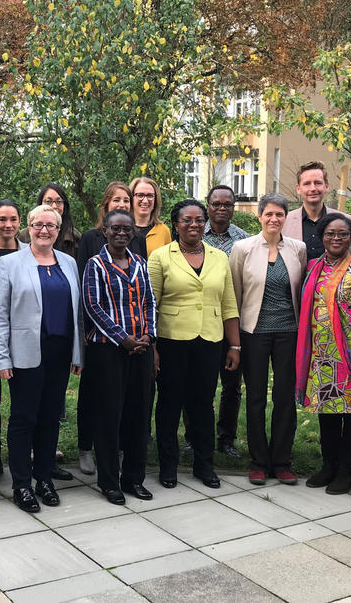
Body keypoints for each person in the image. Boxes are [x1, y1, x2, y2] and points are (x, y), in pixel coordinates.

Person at [0, 204, 83, 513]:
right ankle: (21, 484)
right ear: (27, 227)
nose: (45, 230)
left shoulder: (69, 262)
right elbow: (0, 315)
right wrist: (1, 358)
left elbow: (77, 313)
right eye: (38, 224)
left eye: (51, 226)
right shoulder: (10, 264)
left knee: (49, 418)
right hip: (25, 353)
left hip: (59, 353)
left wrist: (78, 353)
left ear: (59, 230)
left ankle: (44, 479)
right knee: (23, 418)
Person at [148, 199, 240, 490]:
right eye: (187, 220)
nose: (194, 225)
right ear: (176, 224)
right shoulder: (161, 257)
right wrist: (151, 346)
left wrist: (234, 346)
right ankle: (169, 466)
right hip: (171, 341)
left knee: (203, 405)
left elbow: (228, 304)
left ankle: (204, 464)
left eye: (199, 220)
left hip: (210, 341)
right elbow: (150, 305)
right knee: (169, 404)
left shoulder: (219, 258)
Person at [296, 213, 351, 495]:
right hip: (320, 354)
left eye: (343, 234)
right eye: (330, 233)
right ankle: (328, 466)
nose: (336, 238)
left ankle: (347, 471)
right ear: (321, 236)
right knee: (326, 412)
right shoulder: (313, 268)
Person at [229, 193, 306, 486]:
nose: (274, 219)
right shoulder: (243, 249)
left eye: (280, 215)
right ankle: (259, 462)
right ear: (259, 216)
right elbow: (234, 296)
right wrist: (234, 340)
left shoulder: (297, 249)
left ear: (286, 218)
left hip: (289, 332)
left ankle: (282, 461)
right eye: (269, 214)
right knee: (257, 397)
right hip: (254, 334)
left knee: (285, 397)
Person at [82, 209, 157, 504]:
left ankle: (133, 479)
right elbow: (92, 305)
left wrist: (148, 335)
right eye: (116, 228)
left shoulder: (140, 262)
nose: (121, 233)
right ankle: (110, 481)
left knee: (139, 415)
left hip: (141, 349)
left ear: (133, 233)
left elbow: (150, 300)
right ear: (105, 231)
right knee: (108, 416)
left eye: (127, 229)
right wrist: (122, 339)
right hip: (108, 351)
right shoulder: (95, 264)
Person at [75, 181, 144, 476]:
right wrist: (117, 337)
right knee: (97, 398)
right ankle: (89, 450)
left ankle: (121, 455)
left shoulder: (135, 247)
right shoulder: (91, 242)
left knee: (130, 403)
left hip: (136, 339)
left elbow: (144, 295)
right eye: (116, 199)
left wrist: (146, 335)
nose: (122, 203)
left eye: (126, 200)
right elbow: (88, 296)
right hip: (101, 338)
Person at [203, 184, 250, 459]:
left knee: (231, 384)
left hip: (233, 322)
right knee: (200, 383)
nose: (222, 208)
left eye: (227, 204)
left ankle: (226, 437)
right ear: (208, 205)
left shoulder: (244, 242)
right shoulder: (193, 234)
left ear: (234, 207)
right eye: (216, 203)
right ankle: (196, 435)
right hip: (201, 322)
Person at [0, 198, 27, 484]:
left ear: (20, 222)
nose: (8, 225)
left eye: (13, 219)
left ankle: (31, 455)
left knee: (26, 402)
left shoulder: (31, 253)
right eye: (3, 219)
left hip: (24, 336)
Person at [281, 162, 351, 259]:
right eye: (307, 184)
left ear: (326, 186)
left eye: (318, 183)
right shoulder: (285, 222)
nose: (313, 188)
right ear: (298, 189)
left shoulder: (345, 221)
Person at [18, 182, 81, 259]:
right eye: (48, 201)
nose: (54, 206)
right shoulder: (23, 236)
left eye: (58, 202)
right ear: (40, 203)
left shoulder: (75, 237)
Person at [128, 176, 171, 258]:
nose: (145, 200)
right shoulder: (122, 230)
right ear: (131, 198)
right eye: (140, 195)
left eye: (150, 196)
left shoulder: (163, 231)